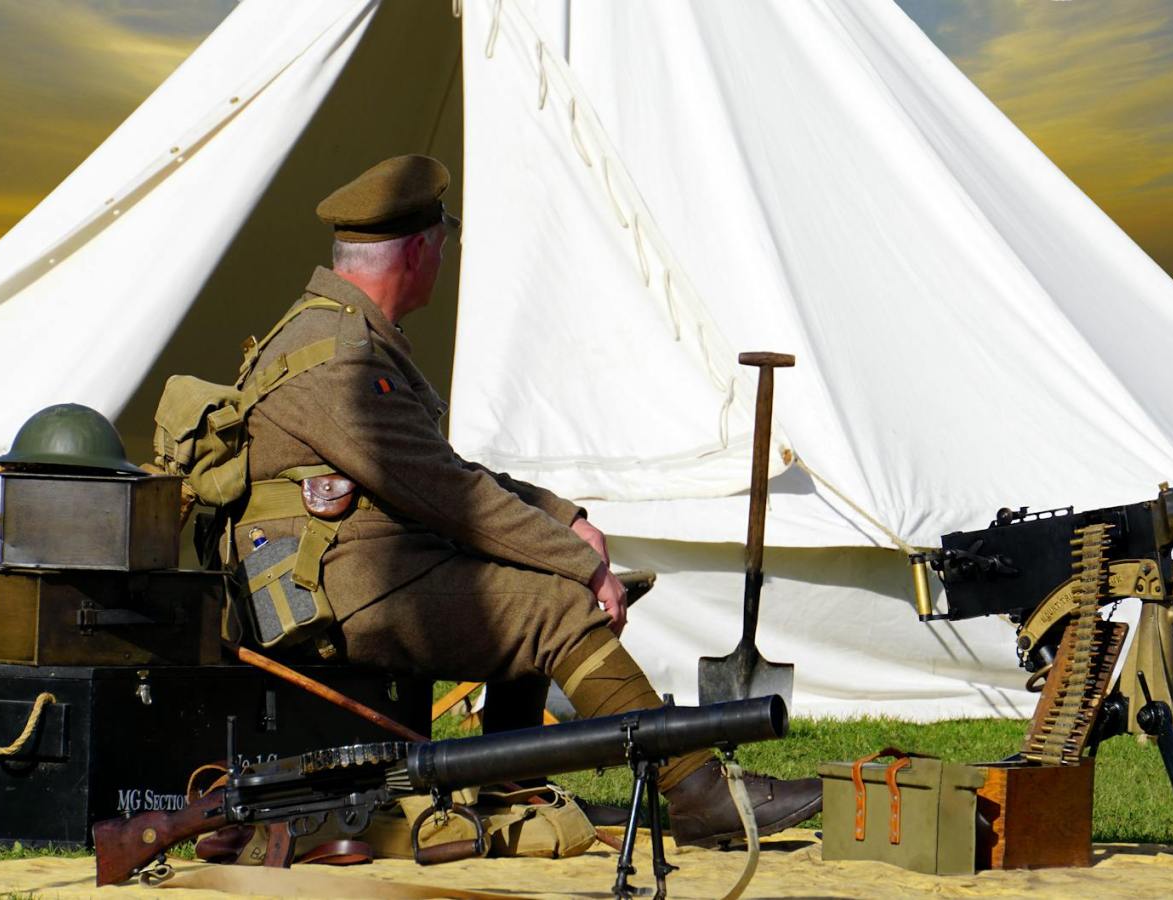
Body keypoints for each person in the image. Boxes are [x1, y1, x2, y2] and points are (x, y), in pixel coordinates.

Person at [231, 154, 821, 847]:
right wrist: (579, 563)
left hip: (346, 570)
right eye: (443, 240)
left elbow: (439, 471)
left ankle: (511, 787)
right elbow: (450, 496)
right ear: (422, 251)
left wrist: (561, 516)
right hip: (327, 588)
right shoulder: (339, 357)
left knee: (538, 585)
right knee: (554, 606)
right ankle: (697, 794)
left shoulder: (341, 336)